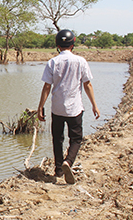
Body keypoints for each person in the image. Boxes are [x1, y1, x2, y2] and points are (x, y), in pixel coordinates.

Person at [37, 29, 100, 184]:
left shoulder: (52, 62)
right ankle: (68, 162)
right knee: (76, 139)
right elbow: (87, 84)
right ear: (73, 43)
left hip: (57, 107)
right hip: (75, 108)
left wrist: (40, 107)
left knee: (57, 139)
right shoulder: (81, 61)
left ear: (57, 45)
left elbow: (47, 87)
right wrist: (94, 105)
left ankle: (58, 169)